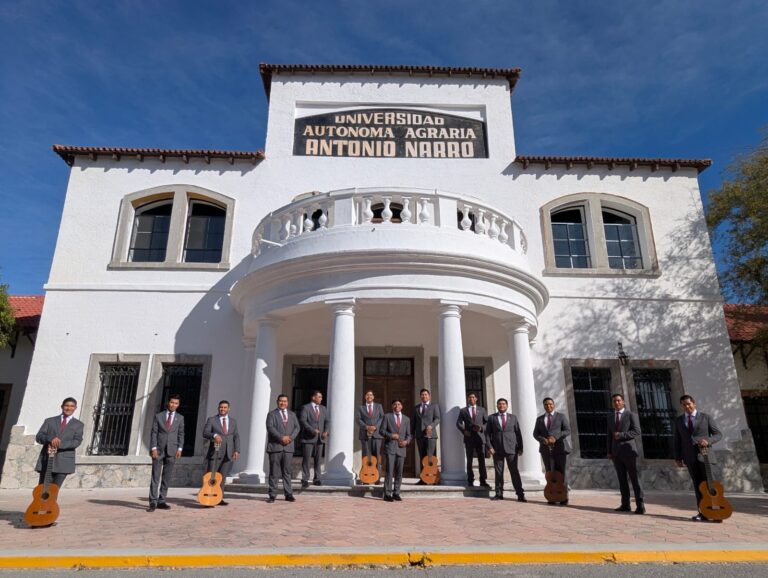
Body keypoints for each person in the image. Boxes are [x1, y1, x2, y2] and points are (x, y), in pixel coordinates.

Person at [673, 394, 723, 522]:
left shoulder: (706, 417)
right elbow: (677, 440)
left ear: (694, 403)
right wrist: (678, 457)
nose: (687, 406)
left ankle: (717, 511)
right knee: (698, 486)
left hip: (706, 457)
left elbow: (718, 434)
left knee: (711, 485)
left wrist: (708, 441)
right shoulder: (679, 420)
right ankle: (703, 513)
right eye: (684, 405)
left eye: (689, 404)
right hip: (690, 458)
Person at [35, 397, 84, 490]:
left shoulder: (78, 424)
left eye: (72, 406)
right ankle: (39, 505)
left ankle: (51, 505)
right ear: (62, 406)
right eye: (66, 405)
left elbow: (77, 441)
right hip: (47, 460)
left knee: (54, 491)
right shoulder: (49, 421)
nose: (69, 408)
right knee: (42, 489)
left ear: (75, 408)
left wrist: (59, 444)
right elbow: (39, 437)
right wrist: (50, 439)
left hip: (64, 462)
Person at [607, 393, 644, 514]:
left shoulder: (631, 415)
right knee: (622, 479)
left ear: (623, 402)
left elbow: (637, 431)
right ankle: (625, 504)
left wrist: (622, 435)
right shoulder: (610, 417)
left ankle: (640, 505)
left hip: (629, 452)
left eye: (618, 401)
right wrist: (609, 451)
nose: (616, 403)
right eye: (614, 401)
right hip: (616, 453)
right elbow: (609, 436)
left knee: (634, 479)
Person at [148, 394, 185, 512]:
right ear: (168, 403)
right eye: (172, 402)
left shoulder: (180, 418)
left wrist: (179, 449)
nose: (173, 405)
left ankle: (162, 500)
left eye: (176, 403)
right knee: (155, 476)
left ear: (178, 405)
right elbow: (154, 432)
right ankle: (153, 502)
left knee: (166, 477)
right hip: (158, 450)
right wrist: (153, 448)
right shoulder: (159, 416)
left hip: (172, 450)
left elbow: (181, 434)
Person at [485, 398, 526, 502]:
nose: (501, 405)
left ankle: (520, 494)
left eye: (503, 404)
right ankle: (499, 494)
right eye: (499, 404)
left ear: (507, 406)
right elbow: (487, 434)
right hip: (497, 449)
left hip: (511, 448)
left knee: (514, 472)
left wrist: (520, 447)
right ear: (497, 406)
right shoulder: (491, 418)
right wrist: (489, 447)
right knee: (499, 472)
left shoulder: (513, 418)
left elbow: (518, 433)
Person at [533, 397, 571, 505]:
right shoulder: (540, 419)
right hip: (546, 450)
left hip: (560, 449)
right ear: (543, 406)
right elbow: (535, 434)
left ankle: (563, 496)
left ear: (554, 405)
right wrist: (543, 440)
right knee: (549, 473)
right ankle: (552, 496)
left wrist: (555, 437)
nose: (548, 406)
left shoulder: (561, 416)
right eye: (546, 404)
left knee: (561, 473)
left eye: (550, 404)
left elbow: (567, 430)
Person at [202, 400, 241, 505]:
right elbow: (205, 433)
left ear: (229, 409)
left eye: (224, 407)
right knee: (212, 476)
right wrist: (214, 435)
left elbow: (236, 436)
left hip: (228, 453)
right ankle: (208, 497)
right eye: (221, 407)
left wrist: (237, 450)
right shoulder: (212, 420)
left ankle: (219, 497)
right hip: (215, 452)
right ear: (218, 408)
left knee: (222, 477)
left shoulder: (233, 421)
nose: (222, 409)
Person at [266, 394, 300, 503]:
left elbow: (297, 427)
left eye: (285, 401)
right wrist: (281, 438)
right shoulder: (271, 414)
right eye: (281, 401)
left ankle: (288, 494)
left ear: (288, 402)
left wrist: (290, 438)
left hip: (288, 447)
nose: (283, 403)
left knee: (287, 472)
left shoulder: (292, 414)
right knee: (274, 472)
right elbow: (270, 428)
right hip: (275, 447)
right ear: (277, 401)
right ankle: (272, 495)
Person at [381, 399, 411, 501]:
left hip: (402, 448)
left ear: (402, 406)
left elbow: (409, 435)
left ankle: (396, 493)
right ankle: (387, 494)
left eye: (399, 404)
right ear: (392, 406)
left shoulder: (406, 419)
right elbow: (381, 431)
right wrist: (391, 435)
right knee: (389, 471)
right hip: (390, 447)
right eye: (394, 404)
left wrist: (407, 442)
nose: (397, 406)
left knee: (399, 472)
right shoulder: (387, 417)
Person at [456, 393, 489, 488]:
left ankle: (483, 480)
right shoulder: (463, 411)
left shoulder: (482, 410)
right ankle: (470, 479)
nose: (471, 399)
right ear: (468, 399)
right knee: (469, 460)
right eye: (470, 397)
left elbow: (487, 423)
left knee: (481, 460)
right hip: (469, 437)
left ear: (476, 399)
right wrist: (464, 431)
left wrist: (481, 428)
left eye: (473, 397)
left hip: (480, 438)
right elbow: (458, 423)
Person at [299, 390, 330, 488]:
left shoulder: (323, 409)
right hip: (308, 438)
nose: (321, 398)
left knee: (318, 460)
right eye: (319, 397)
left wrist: (326, 431)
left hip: (320, 439)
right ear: (313, 397)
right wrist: (312, 430)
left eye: (321, 397)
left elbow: (327, 421)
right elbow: (303, 421)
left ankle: (317, 479)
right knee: (307, 460)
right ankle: (305, 479)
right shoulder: (306, 408)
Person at [413, 388, 440, 484]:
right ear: (420, 396)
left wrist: (431, 426)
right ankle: (423, 478)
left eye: (425, 394)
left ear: (429, 396)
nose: (424, 396)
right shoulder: (416, 408)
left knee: (431, 457)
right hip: (420, 436)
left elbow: (437, 418)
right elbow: (414, 422)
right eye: (422, 395)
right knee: (422, 457)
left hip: (430, 435)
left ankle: (433, 478)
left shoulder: (434, 406)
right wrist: (411, 435)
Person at [357, 390, 384, 483]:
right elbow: (358, 419)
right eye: (367, 394)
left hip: (377, 435)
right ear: (365, 397)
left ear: (373, 397)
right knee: (366, 456)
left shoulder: (378, 406)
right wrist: (367, 427)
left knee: (376, 456)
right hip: (365, 435)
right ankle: (365, 478)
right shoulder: (361, 408)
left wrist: (375, 427)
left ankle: (377, 478)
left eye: (371, 395)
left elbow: (382, 418)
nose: (369, 396)